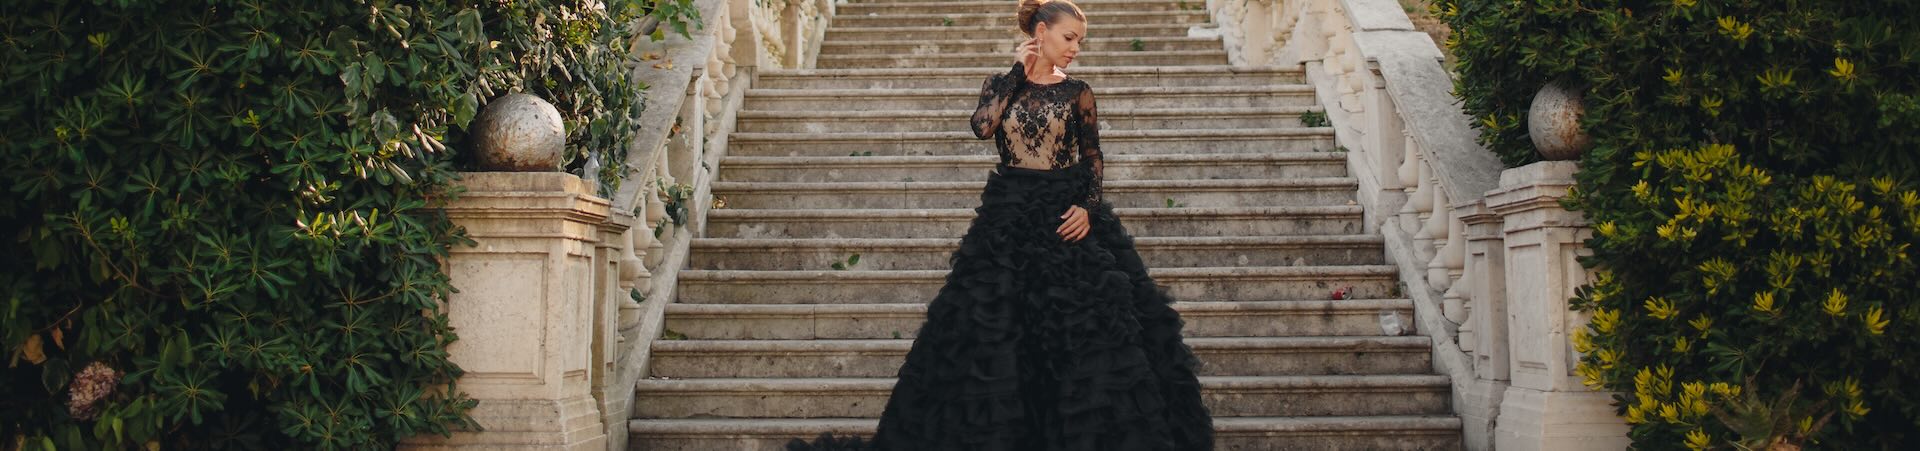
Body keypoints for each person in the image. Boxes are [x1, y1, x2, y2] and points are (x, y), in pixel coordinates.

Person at [788, 0, 1214, 449]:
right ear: (1041, 32)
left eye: (1080, 41)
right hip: (1008, 218)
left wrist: (1088, 207)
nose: (1075, 48)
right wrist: (1016, 72)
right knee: (992, 330)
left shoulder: (1078, 92)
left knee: (1086, 334)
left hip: (1065, 217)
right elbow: (982, 126)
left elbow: (1092, 156)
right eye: (1069, 38)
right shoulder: (1000, 85)